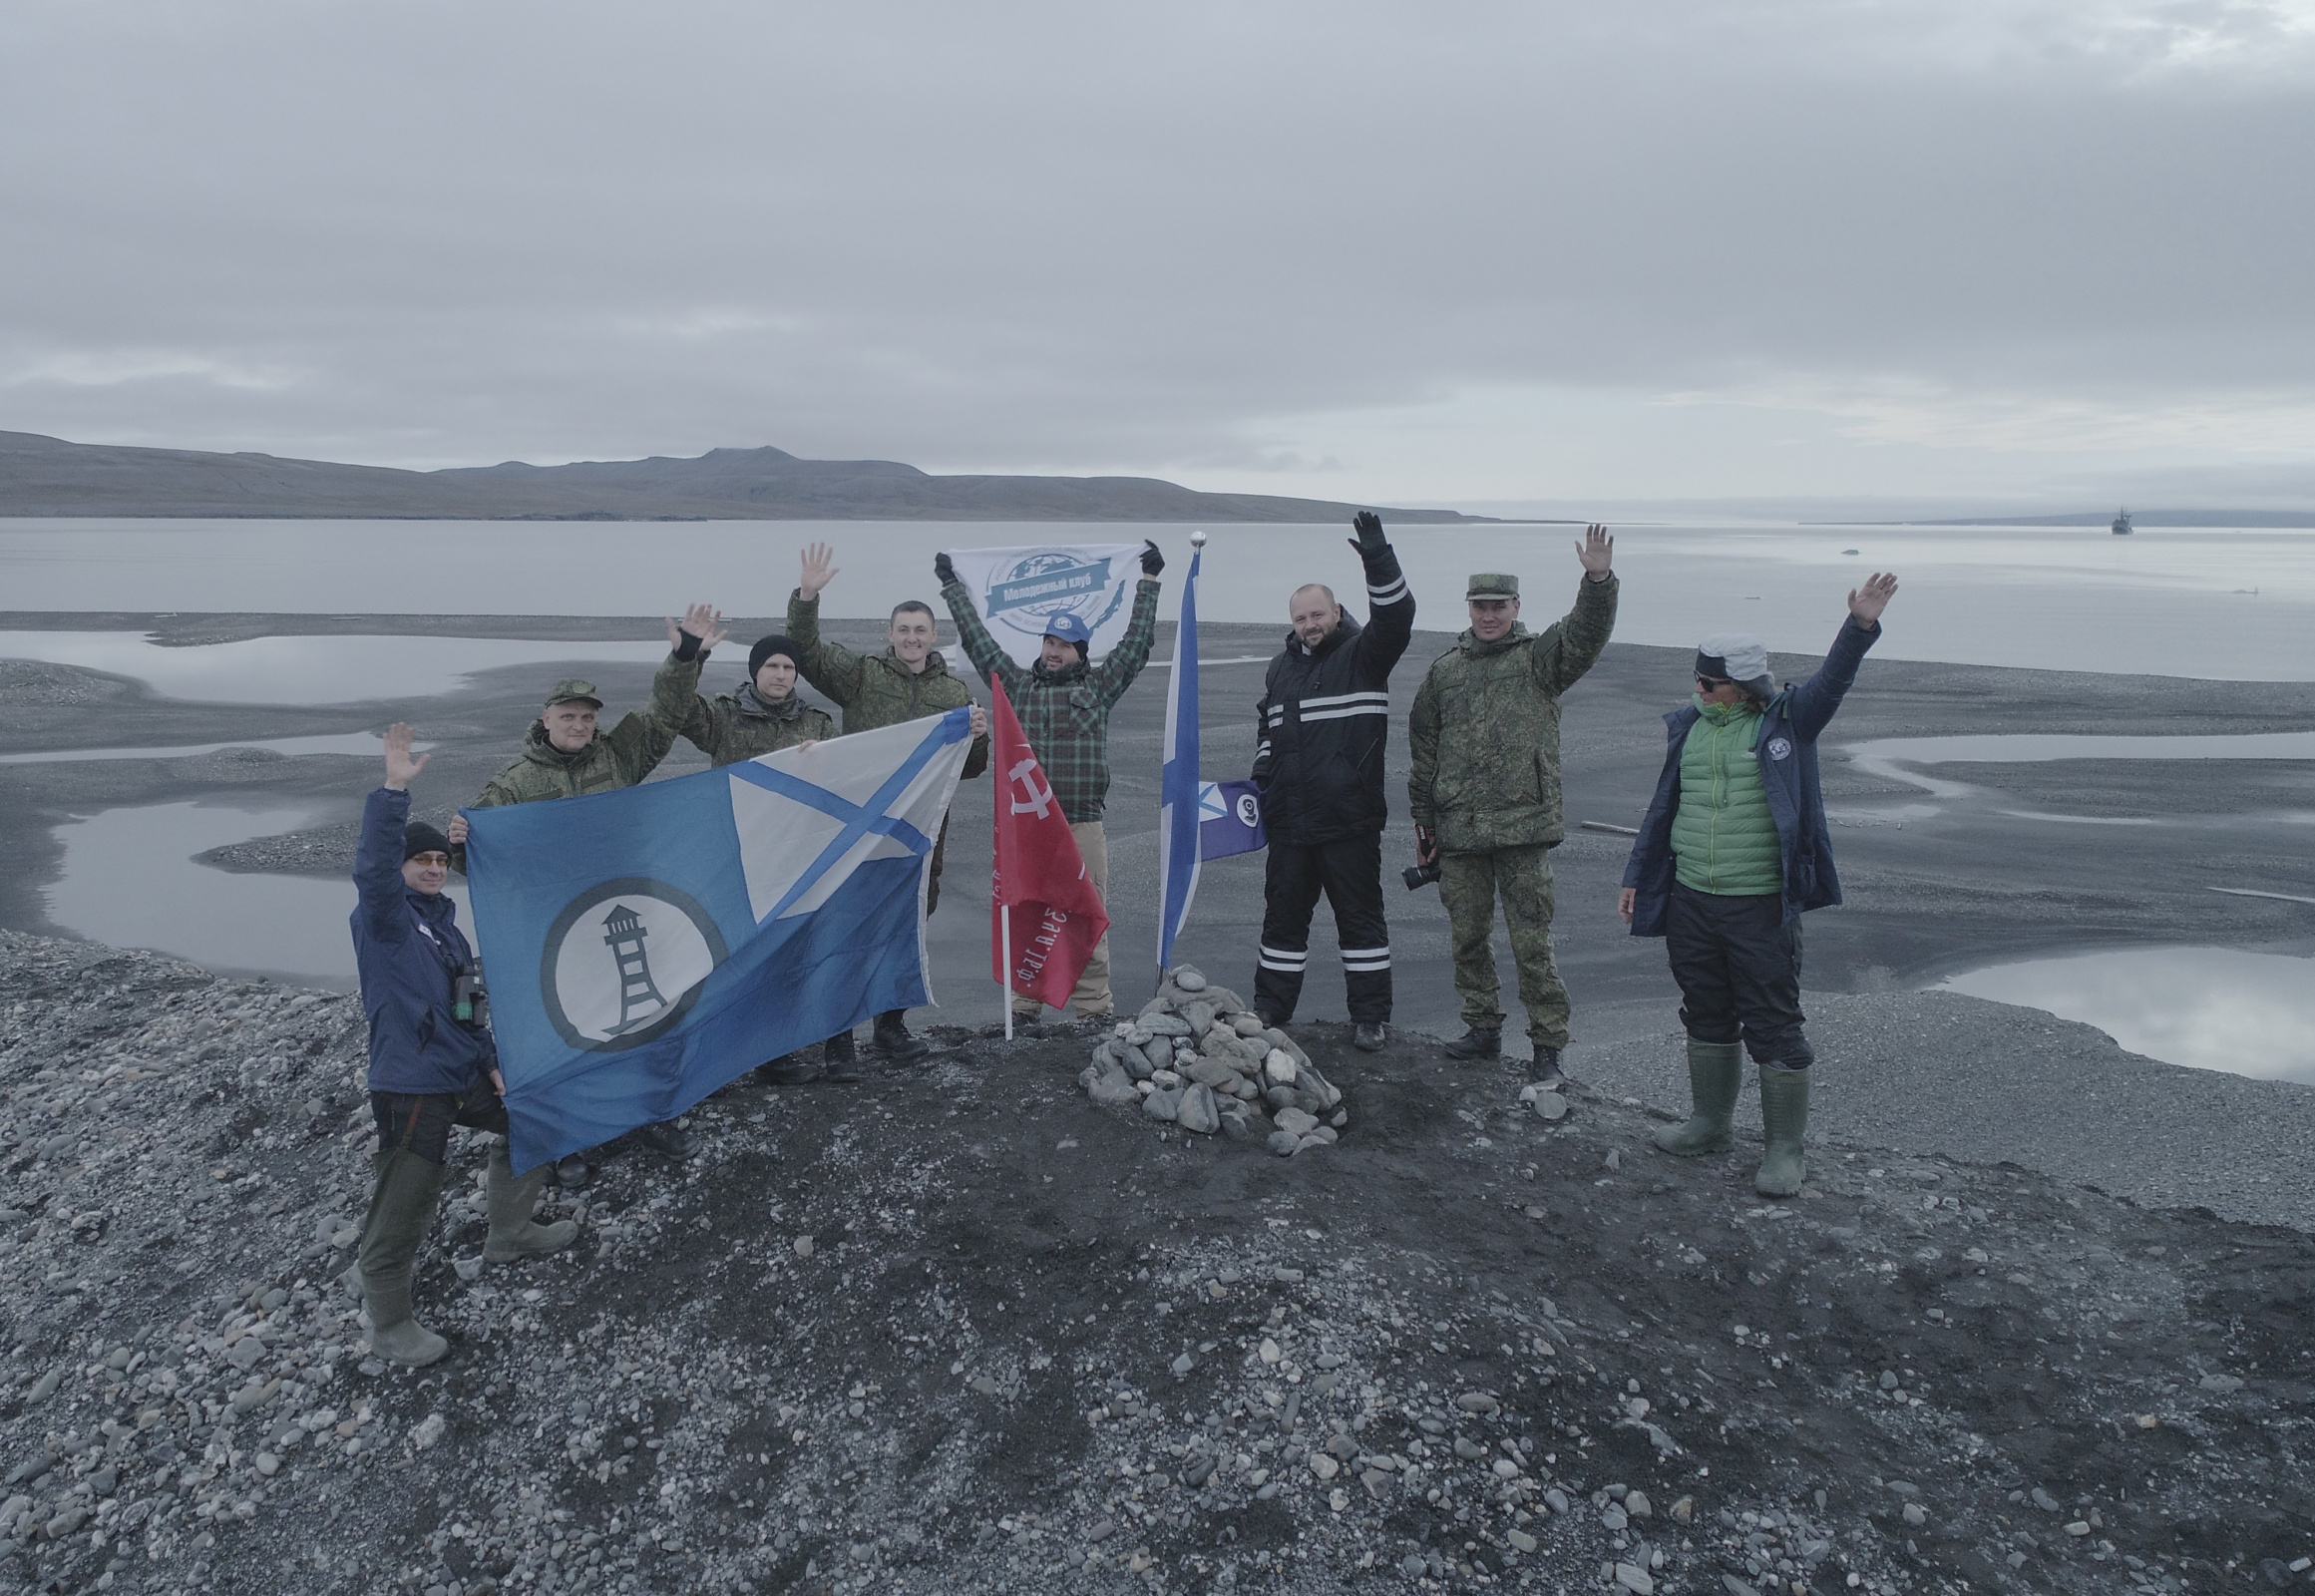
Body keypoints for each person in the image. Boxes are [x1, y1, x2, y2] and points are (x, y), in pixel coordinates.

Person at [1619, 573, 1900, 1197]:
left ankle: (1783, 1151)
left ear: (1740, 685)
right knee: (1706, 1011)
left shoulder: (1786, 725)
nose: (1697, 689)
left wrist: (1857, 628)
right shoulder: (1688, 728)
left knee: (1773, 1022)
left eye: (1708, 681)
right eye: (1697, 678)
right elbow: (1662, 810)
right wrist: (1638, 877)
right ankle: (1709, 1124)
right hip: (1692, 899)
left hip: (1758, 906)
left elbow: (1831, 686)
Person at [458, 603, 720, 1175]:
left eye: (587, 718)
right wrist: (459, 839)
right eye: (569, 716)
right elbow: (475, 851)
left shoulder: (618, 756)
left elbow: (665, 713)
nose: (580, 725)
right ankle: (568, 1133)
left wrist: (683, 656)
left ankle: (655, 1113)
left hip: (624, 907)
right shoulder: (516, 783)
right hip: (557, 929)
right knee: (566, 1028)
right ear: (546, 718)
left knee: (647, 1014)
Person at [352, 724, 578, 1367]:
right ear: (399, 869)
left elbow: (467, 1006)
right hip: (413, 1083)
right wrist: (393, 790)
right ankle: (390, 1322)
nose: (430, 868)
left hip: (461, 1070)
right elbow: (371, 870)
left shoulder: (443, 928)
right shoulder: (386, 921)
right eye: (417, 861)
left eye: (436, 862)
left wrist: (494, 1061)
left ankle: (507, 1234)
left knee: (531, 1116)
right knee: (409, 1195)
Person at [1408, 529, 1619, 1078]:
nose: (1489, 615)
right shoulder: (1444, 672)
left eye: (1499, 605)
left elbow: (1586, 634)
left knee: (1532, 944)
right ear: (1469, 608)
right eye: (1480, 605)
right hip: (1460, 832)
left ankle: (1547, 1046)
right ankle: (1482, 1028)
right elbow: (1423, 748)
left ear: (1516, 607)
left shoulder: (1539, 661)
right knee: (1467, 939)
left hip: (1524, 829)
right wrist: (1424, 822)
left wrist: (1597, 581)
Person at [936, 540, 1164, 1021]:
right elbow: (978, 642)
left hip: (1081, 824)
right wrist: (951, 587)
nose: (1054, 651)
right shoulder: (1017, 687)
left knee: (1087, 914)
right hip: (1030, 829)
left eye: (1064, 646)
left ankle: (1093, 1007)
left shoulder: (1098, 689)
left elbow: (1138, 644)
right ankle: (1023, 1005)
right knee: (1028, 912)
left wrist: (1148, 583)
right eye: (1049, 642)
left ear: (1080, 653)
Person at [787, 543, 991, 1060]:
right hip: (862, 826)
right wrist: (807, 597)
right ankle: (838, 1035)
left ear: (934, 636)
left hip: (923, 831)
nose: (911, 638)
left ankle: (890, 1026)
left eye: (920, 630)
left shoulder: (954, 693)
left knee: (909, 919)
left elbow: (969, 768)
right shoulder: (862, 677)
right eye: (903, 629)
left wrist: (981, 736)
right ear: (890, 634)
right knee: (851, 919)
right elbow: (806, 652)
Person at [653, 627, 855, 1086]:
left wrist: (823, 762)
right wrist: (689, 658)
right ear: (755, 672)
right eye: (772, 666)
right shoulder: (725, 717)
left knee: (814, 944)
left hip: (802, 857)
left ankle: (830, 1041)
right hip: (740, 856)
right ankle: (755, 1051)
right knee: (745, 953)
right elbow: (677, 710)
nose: (781, 674)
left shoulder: (818, 724)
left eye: (788, 667)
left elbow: (841, 779)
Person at [1249, 511, 1416, 1050]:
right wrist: (1261, 773)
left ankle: (1370, 1017)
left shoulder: (1365, 655)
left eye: (1317, 614)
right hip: (1291, 826)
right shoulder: (1280, 669)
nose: (1309, 625)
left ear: (1336, 611)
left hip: (1348, 822)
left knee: (1360, 924)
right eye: (1300, 618)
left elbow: (1397, 615)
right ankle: (1270, 1009)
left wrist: (1377, 556)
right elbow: (1268, 726)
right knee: (1282, 925)